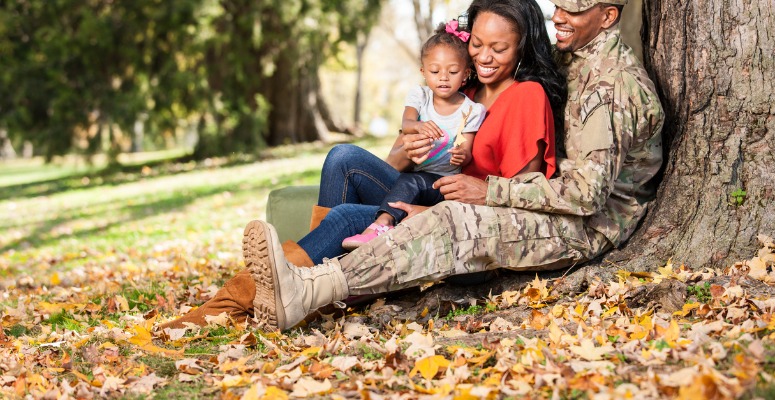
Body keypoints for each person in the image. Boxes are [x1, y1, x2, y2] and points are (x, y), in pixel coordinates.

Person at [164, 0, 664, 333]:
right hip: (425, 188)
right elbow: (406, 160)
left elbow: (524, 189)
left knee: (342, 220)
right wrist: (408, 148)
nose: (485, 56)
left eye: (499, 47)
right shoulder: (464, 87)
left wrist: (420, 209)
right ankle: (312, 281)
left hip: (467, 209)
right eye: (478, 44)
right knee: (343, 159)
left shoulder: (530, 94)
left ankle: (235, 302)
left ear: (520, 47)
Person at [342, 21, 489, 249]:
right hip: (409, 176)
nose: (443, 77)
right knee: (400, 177)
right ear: (423, 72)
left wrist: (461, 156)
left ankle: (382, 224)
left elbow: (467, 151)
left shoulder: (472, 110)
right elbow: (407, 123)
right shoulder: (420, 96)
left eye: (452, 72)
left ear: (465, 74)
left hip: (440, 185)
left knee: (413, 180)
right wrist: (418, 127)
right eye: (434, 71)